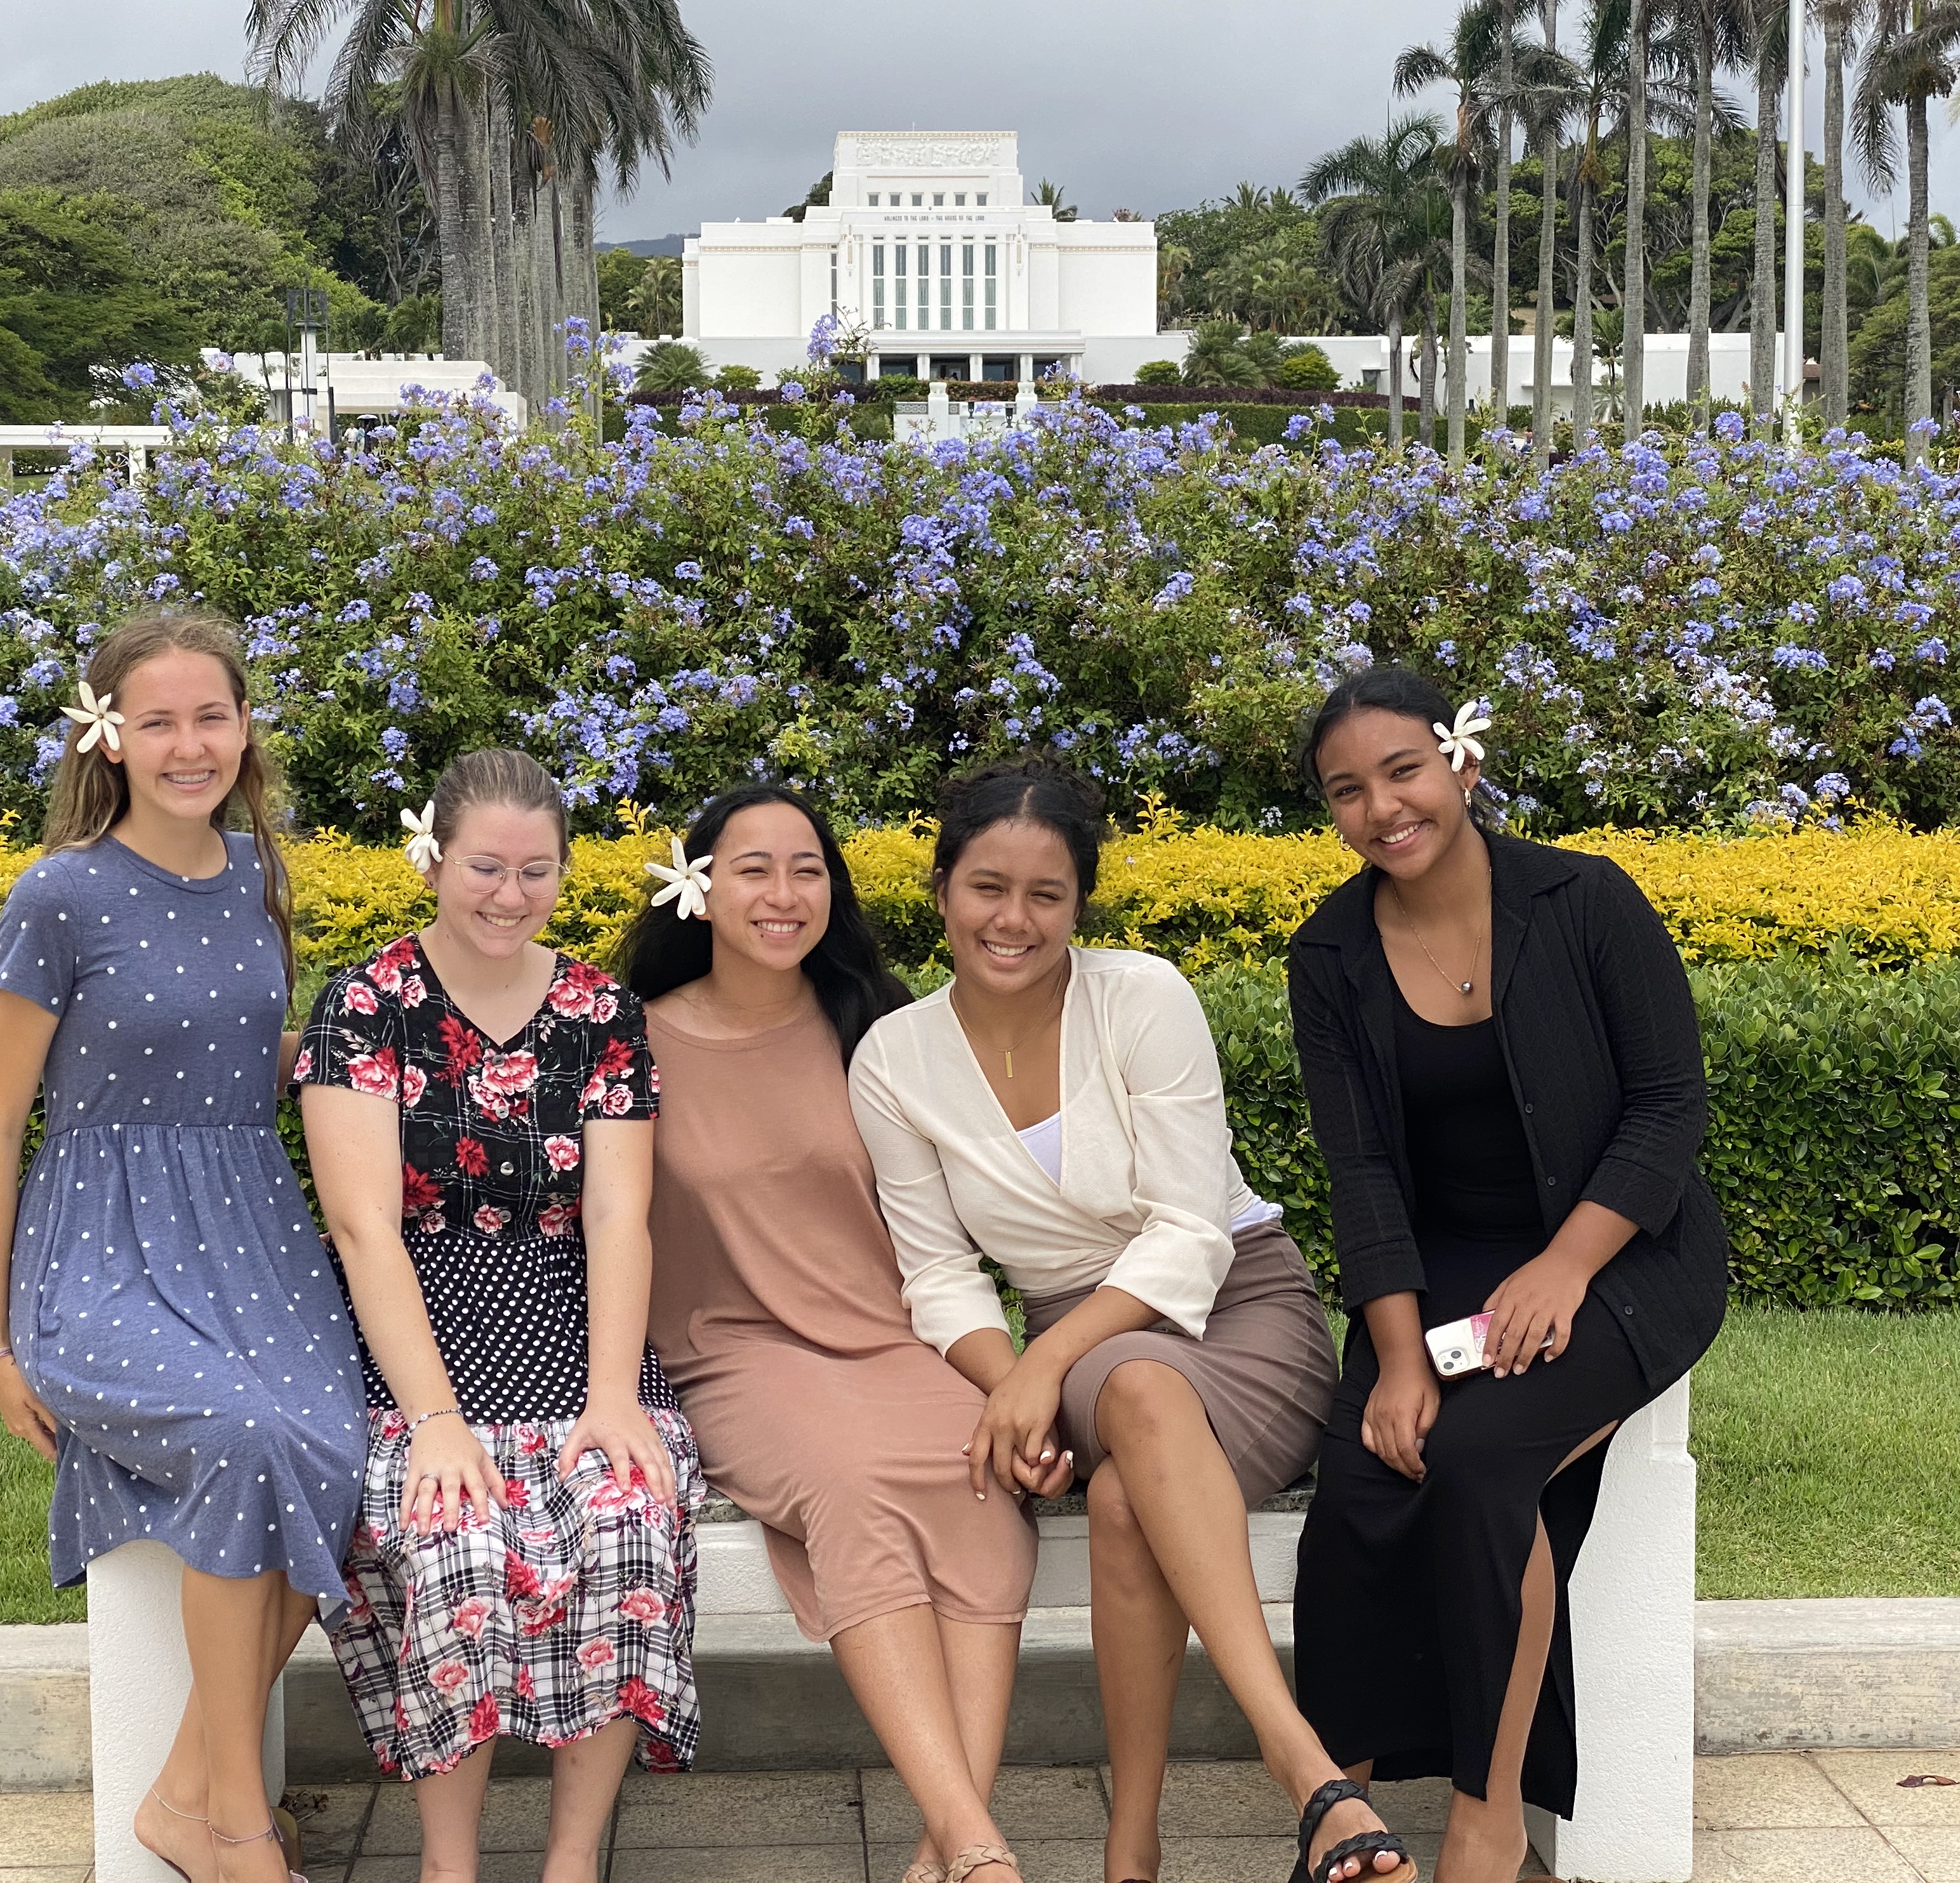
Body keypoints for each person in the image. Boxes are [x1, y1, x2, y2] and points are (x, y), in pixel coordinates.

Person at [849, 757, 1414, 1883]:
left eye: (1046, 896)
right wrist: (1017, 1375)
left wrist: (1039, 1369)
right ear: (942, 886)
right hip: (1087, 1353)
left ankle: (1149, 1840)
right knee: (1139, 1393)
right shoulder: (893, 1058)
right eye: (987, 888)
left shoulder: (1143, 996)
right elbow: (941, 1276)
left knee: (1119, 1499)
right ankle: (1311, 1782)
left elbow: (1194, 1233)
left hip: (1243, 1310)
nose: (1014, 920)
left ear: (1080, 904)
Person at [1286, 667, 1728, 1883]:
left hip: (1623, 1252)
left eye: (1402, 772)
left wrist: (1566, 1270)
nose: (1382, 808)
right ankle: (1346, 1821)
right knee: (1368, 1486)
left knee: (1486, 1465)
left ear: (1461, 766)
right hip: (1437, 1275)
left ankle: (1488, 1817)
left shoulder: (1584, 900)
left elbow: (1668, 1105)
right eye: (1347, 792)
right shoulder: (1329, 955)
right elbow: (1362, 1170)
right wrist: (1389, 1360)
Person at [0, 612, 363, 1883]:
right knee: (243, 1439)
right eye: (159, 720)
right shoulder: (60, 893)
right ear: (110, 737)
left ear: (245, 732)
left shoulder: (259, 870)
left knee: (344, 1457)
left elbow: (249, 1063)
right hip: (102, 1253)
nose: (189, 744)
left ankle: (186, 1792)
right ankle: (235, 1828)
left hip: (254, 1236)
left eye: (212, 717)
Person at [294, 747, 705, 1883]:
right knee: (453, 1540)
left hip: (578, 1340)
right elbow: (364, 1225)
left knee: (628, 1519)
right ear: (437, 859)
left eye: (537, 872)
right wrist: (431, 1418)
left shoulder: (602, 1010)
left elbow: (622, 1214)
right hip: (414, 1344)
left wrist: (615, 1398)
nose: (508, 895)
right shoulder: (366, 1004)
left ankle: (573, 1862)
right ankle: (450, 1865)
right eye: (485, 866)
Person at [623, 784, 1038, 1883]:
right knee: (853, 1489)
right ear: (699, 887)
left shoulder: (880, 1026)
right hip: (734, 1355)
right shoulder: (630, 1044)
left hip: (895, 1343)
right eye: (752, 868)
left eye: (808, 869)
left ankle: (943, 1843)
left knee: (982, 1472)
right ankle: (982, 1849)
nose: (783, 893)